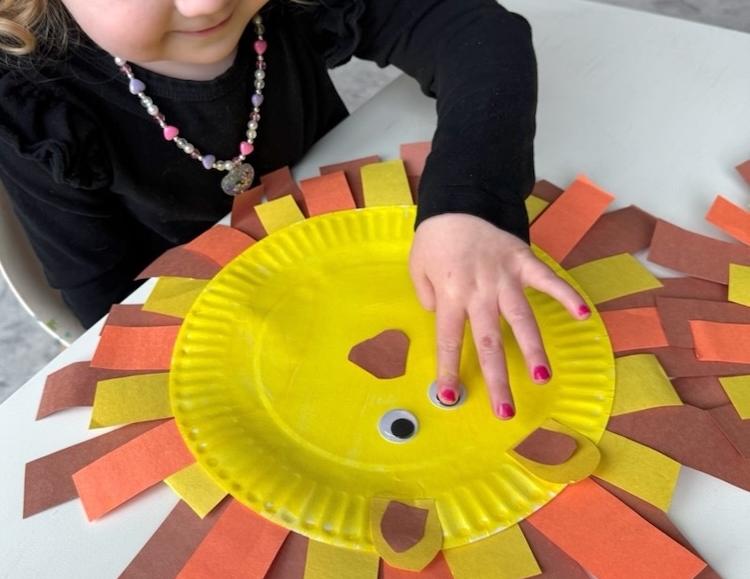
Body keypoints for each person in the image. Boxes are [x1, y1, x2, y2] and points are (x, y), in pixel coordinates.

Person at [0, 0, 590, 419]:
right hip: (216, 335)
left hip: (360, 262)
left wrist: (471, 203)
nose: (206, 5)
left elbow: (477, 31)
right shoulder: (36, 108)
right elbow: (100, 295)